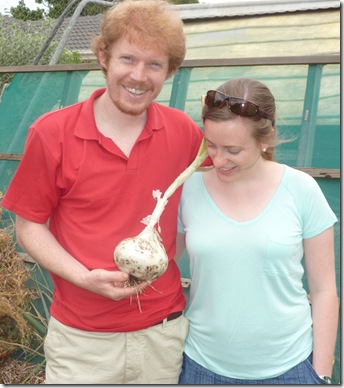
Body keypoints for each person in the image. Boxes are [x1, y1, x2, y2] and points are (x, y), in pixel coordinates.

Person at [1, 0, 206, 384]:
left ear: (171, 71)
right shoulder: (53, 133)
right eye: (128, 58)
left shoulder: (184, 133)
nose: (139, 76)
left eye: (155, 64)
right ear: (103, 57)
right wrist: (83, 277)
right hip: (82, 341)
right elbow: (29, 226)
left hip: (162, 334)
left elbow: (227, 185)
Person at [175, 78, 339, 384]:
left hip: (290, 370)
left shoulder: (302, 190)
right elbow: (163, 259)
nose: (218, 159)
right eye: (210, 144)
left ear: (266, 138)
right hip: (200, 367)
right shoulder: (189, 189)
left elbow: (325, 290)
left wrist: (321, 374)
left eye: (233, 150)